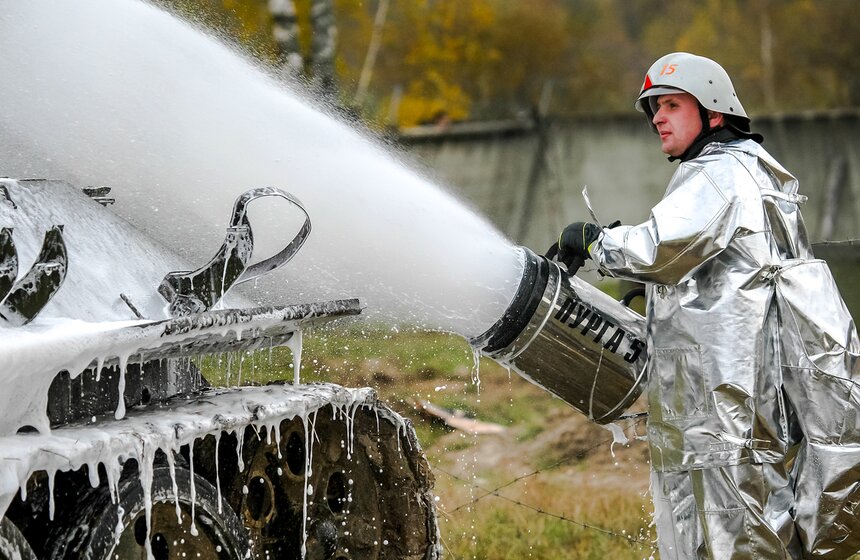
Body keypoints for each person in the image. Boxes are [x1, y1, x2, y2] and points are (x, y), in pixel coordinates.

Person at [557, 52, 860, 559]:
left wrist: (592, 241)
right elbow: (720, 272)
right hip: (734, 411)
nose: (658, 117)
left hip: (722, 415)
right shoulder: (748, 174)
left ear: (713, 113)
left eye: (672, 105)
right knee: (751, 537)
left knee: (732, 545)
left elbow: (656, 248)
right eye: (654, 107)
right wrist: (662, 297)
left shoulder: (719, 174)